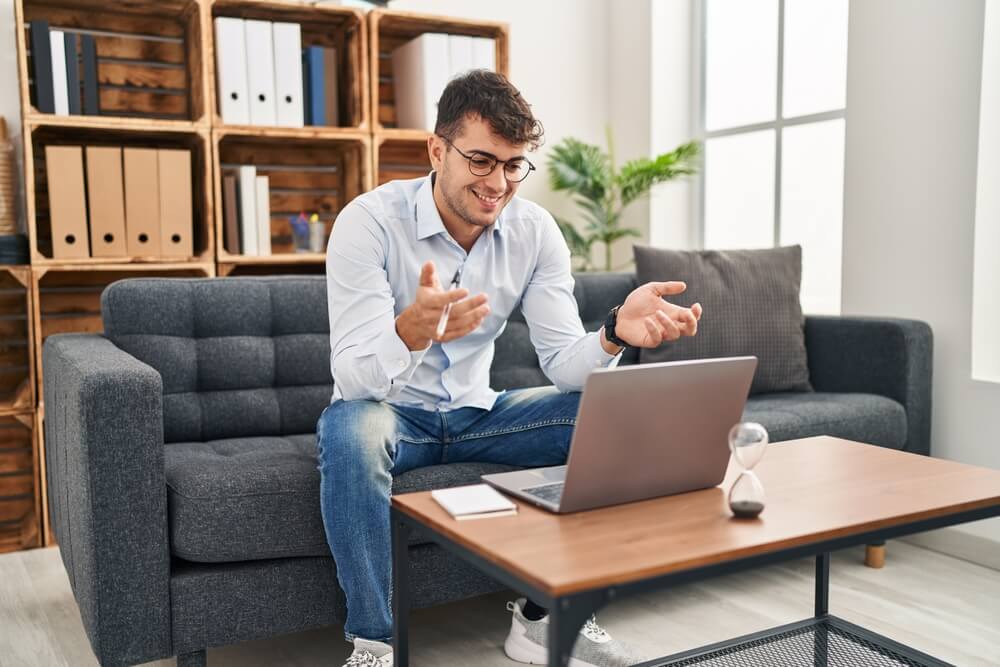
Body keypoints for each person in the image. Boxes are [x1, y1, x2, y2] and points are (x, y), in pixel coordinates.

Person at [317, 69, 702, 667]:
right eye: (480, 160)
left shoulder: (534, 231)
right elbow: (356, 382)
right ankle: (376, 644)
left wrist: (610, 332)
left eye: (514, 164)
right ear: (436, 150)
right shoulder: (368, 223)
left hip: (480, 413)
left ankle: (544, 620)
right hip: (393, 412)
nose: (498, 183)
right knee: (349, 430)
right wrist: (408, 332)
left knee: (608, 416)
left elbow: (563, 365)